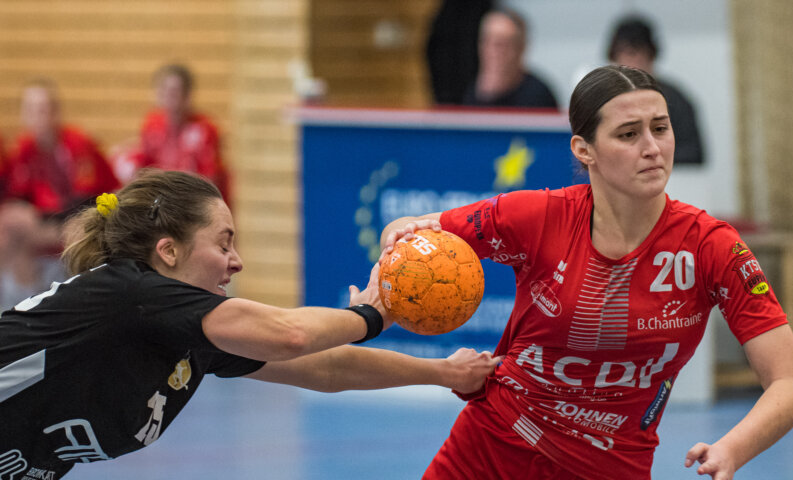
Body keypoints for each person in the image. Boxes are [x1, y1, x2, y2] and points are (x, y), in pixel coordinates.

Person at [381, 66, 793, 479]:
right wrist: (384, 279)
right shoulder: (538, 216)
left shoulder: (710, 246)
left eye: (660, 128)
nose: (652, 147)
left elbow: (791, 383)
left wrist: (733, 449)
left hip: (610, 469)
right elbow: (406, 230)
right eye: (629, 134)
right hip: (491, 448)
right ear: (584, 150)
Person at [0, 169, 501, 479]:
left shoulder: (181, 332)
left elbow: (327, 368)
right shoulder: (131, 293)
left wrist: (443, 373)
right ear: (168, 252)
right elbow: (290, 334)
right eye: (223, 243)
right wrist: (372, 313)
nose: (236, 261)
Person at [0, 78, 119, 310]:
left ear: (56, 111)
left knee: (74, 228)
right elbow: (17, 196)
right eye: (31, 110)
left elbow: (84, 201)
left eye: (44, 109)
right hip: (53, 223)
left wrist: (40, 223)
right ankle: (20, 306)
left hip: (93, 217)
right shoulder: (25, 149)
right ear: (24, 115)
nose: (39, 116)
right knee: (8, 226)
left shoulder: (77, 144)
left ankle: (70, 303)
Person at [112, 64, 230, 203]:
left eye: (174, 91)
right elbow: (144, 164)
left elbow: (210, 181)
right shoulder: (152, 124)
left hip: (194, 202)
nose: (168, 96)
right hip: (164, 200)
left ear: (187, 95)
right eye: (163, 90)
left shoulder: (204, 129)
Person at [607, 16, 705, 165]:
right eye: (626, 55)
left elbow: (693, 153)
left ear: (651, 56)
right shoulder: (604, 102)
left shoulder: (675, 100)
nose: (633, 63)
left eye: (638, 54)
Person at [460, 8, 558, 109]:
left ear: (521, 48)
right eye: (487, 41)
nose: (493, 51)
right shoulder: (469, 91)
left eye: (503, 44)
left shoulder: (538, 96)